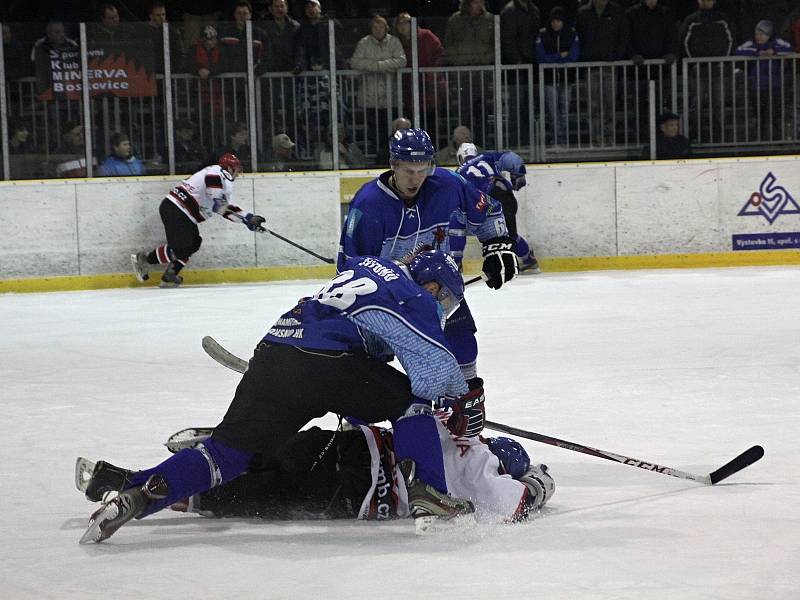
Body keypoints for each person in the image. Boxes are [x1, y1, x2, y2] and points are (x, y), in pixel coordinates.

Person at [79, 249, 487, 543]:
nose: (444, 308)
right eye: (447, 299)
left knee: (224, 455)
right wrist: (457, 404)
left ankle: (134, 491)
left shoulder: (370, 267)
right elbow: (434, 376)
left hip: (275, 351)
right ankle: (431, 496)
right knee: (410, 406)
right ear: (433, 285)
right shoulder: (414, 297)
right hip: (331, 363)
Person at [79, 415, 555, 524]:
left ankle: (126, 478)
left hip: (337, 444)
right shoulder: (486, 465)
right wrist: (537, 484)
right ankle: (134, 491)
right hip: (350, 491)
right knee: (234, 498)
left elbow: (405, 412)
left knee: (242, 458)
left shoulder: (450, 430)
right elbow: (510, 507)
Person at [338, 128, 518, 386]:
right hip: (386, 300)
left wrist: (497, 245)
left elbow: (488, 210)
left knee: (463, 338)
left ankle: (464, 401)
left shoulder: (448, 185)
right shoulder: (368, 205)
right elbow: (349, 267)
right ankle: (361, 420)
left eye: (422, 170)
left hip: (439, 290)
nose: (415, 179)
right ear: (393, 165)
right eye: (408, 171)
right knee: (367, 358)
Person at [130, 153, 265, 288]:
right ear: (229, 168)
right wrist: (246, 218)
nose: (238, 173)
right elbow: (219, 205)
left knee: (194, 243)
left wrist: (248, 219)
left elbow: (223, 210)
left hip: (183, 213)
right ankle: (144, 259)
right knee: (181, 249)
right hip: (177, 209)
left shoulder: (223, 180)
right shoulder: (216, 173)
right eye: (236, 169)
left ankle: (170, 275)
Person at [456, 144, 540, 273]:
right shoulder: (486, 156)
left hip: (489, 202)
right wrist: (519, 175)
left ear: (461, 157)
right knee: (510, 234)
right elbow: (512, 158)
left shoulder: (459, 173)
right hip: (507, 195)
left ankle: (457, 263)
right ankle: (528, 260)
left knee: (470, 230)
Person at [349, 15, 406, 161]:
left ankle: (393, 157)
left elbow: (401, 60)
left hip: (391, 96)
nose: (378, 29)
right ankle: (378, 159)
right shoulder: (364, 43)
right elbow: (355, 62)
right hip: (370, 97)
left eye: (381, 26)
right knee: (374, 131)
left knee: (392, 130)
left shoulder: (394, 42)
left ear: (386, 27)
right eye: (375, 26)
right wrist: (376, 67)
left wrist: (380, 66)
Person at [678, 0, 735, 142]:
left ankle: (719, 135)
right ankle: (697, 134)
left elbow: (731, 40)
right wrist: (693, 63)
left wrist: (723, 61)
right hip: (698, 69)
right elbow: (684, 42)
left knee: (718, 103)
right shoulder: (691, 19)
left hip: (718, 68)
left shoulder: (723, 18)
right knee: (697, 103)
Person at [576, 0, 630, 147]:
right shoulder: (583, 12)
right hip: (590, 67)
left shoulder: (617, 11)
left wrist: (616, 57)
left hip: (610, 66)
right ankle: (596, 138)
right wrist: (585, 58)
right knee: (593, 106)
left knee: (610, 106)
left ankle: (610, 138)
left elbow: (624, 35)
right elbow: (579, 38)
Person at [734, 20, 793, 141]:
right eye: (757, 34)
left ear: (769, 34)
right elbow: (738, 50)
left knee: (775, 115)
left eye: (762, 34)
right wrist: (757, 52)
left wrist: (774, 51)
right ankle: (759, 140)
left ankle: (778, 140)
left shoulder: (776, 42)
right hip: (756, 87)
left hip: (774, 86)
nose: (759, 37)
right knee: (758, 115)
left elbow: (789, 48)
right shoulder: (751, 43)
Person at [536, 6, 581, 147]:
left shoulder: (572, 34)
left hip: (566, 79)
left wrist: (556, 59)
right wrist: (559, 57)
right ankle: (556, 139)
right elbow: (540, 57)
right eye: (554, 21)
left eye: (559, 21)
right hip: (549, 80)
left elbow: (573, 56)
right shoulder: (542, 35)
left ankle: (564, 140)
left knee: (564, 112)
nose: (556, 24)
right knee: (553, 113)